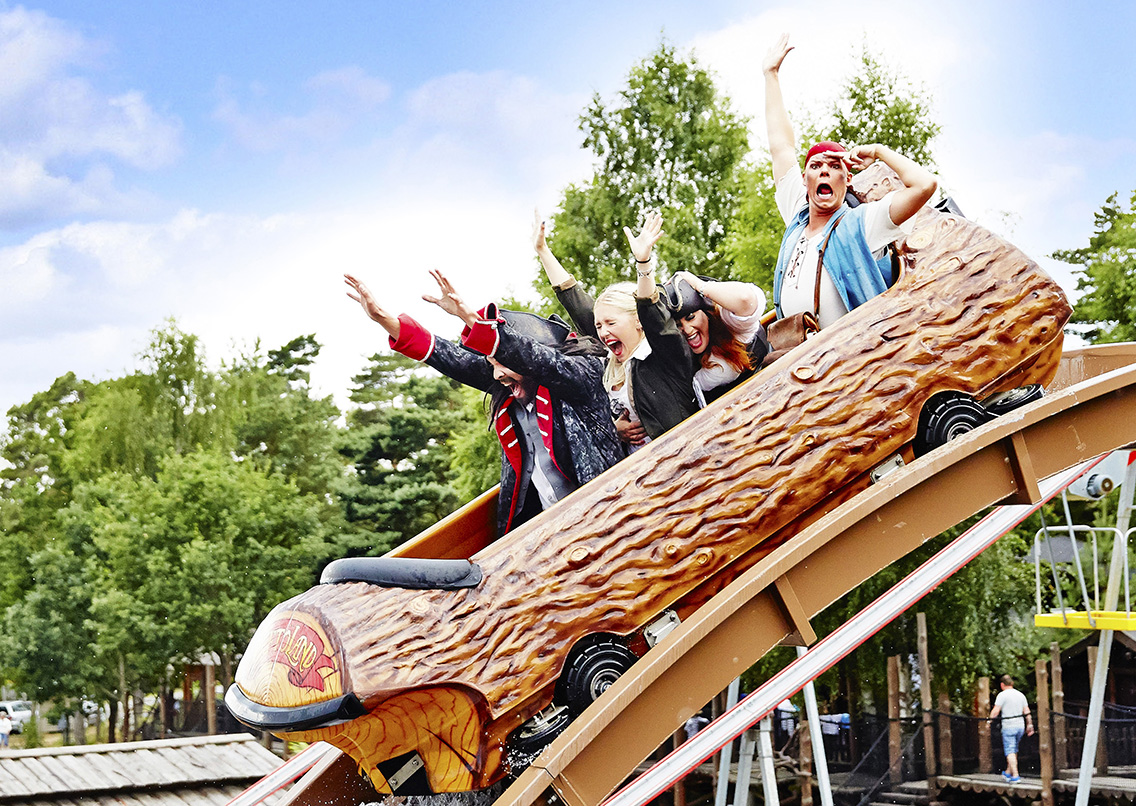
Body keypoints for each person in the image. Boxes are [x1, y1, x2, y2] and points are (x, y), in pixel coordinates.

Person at [345, 269, 623, 537]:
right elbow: (448, 356)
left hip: (606, 514)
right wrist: (383, 319)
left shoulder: (579, 376)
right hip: (550, 528)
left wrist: (469, 317)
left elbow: (534, 358)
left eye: (503, 363)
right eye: (491, 364)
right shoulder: (505, 382)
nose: (497, 374)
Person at [762, 33, 938, 329]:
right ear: (805, 180)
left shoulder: (864, 223)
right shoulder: (796, 212)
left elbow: (924, 185)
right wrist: (771, 75)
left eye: (834, 166)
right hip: (801, 362)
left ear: (847, 179)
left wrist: (879, 151)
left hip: (855, 361)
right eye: (816, 166)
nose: (824, 172)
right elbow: (780, 146)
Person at [533, 210, 698, 449]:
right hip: (636, 472)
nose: (602, 331)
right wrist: (543, 252)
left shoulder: (664, 353)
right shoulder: (611, 359)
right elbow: (575, 302)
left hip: (682, 456)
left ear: (638, 321)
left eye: (611, 323)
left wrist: (643, 263)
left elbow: (653, 316)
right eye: (599, 325)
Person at [663, 271, 770, 402]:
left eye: (691, 318)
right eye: (678, 325)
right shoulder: (676, 355)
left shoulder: (731, 324)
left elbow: (746, 299)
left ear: (706, 313)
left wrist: (700, 285)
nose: (687, 329)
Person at [989, 674, 1033, 783]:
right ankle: (1008, 772)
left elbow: (996, 711)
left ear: (1002, 685)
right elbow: (1027, 711)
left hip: (1009, 725)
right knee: (1013, 749)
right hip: (1020, 726)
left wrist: (989, 721)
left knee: (1009, 750)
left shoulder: (1002, 695)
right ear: (1012, 683)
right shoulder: (1020, 695)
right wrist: (1029, 724)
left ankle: (1016, 775)